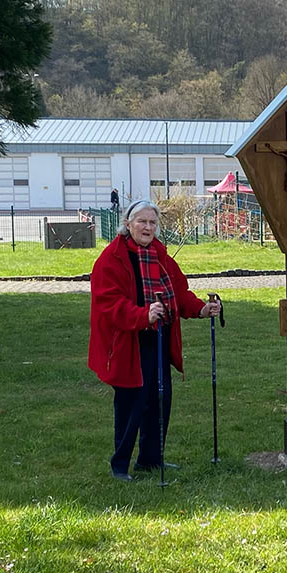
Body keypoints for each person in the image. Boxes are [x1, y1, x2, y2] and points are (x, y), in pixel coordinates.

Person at [88, 200, 221, 481]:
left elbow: (179, 292)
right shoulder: (111, 260)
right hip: (127, 344)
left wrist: (201, 309)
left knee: (159, 401)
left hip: (159, 339)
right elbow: (109, 304)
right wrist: (143, 315)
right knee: (130, 405)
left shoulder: (160, 255)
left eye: (152, 223)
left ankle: (150, 460)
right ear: (128, 224)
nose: (148, 227)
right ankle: (120, 464)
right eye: (142, 222)